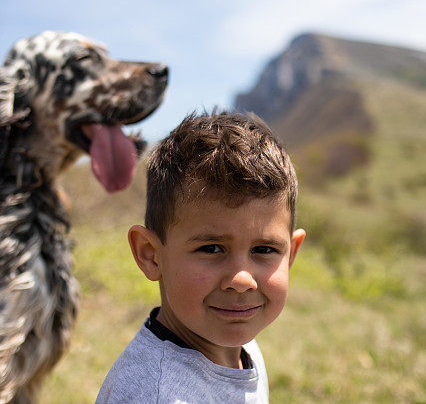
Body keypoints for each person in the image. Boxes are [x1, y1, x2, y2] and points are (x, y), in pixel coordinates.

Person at [96, 110, 306, 403]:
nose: (242, 280)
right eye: (211, 248)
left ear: (290, 253)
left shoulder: (238, 344)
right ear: (151, 255)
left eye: (264, 250)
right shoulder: (156, 394)